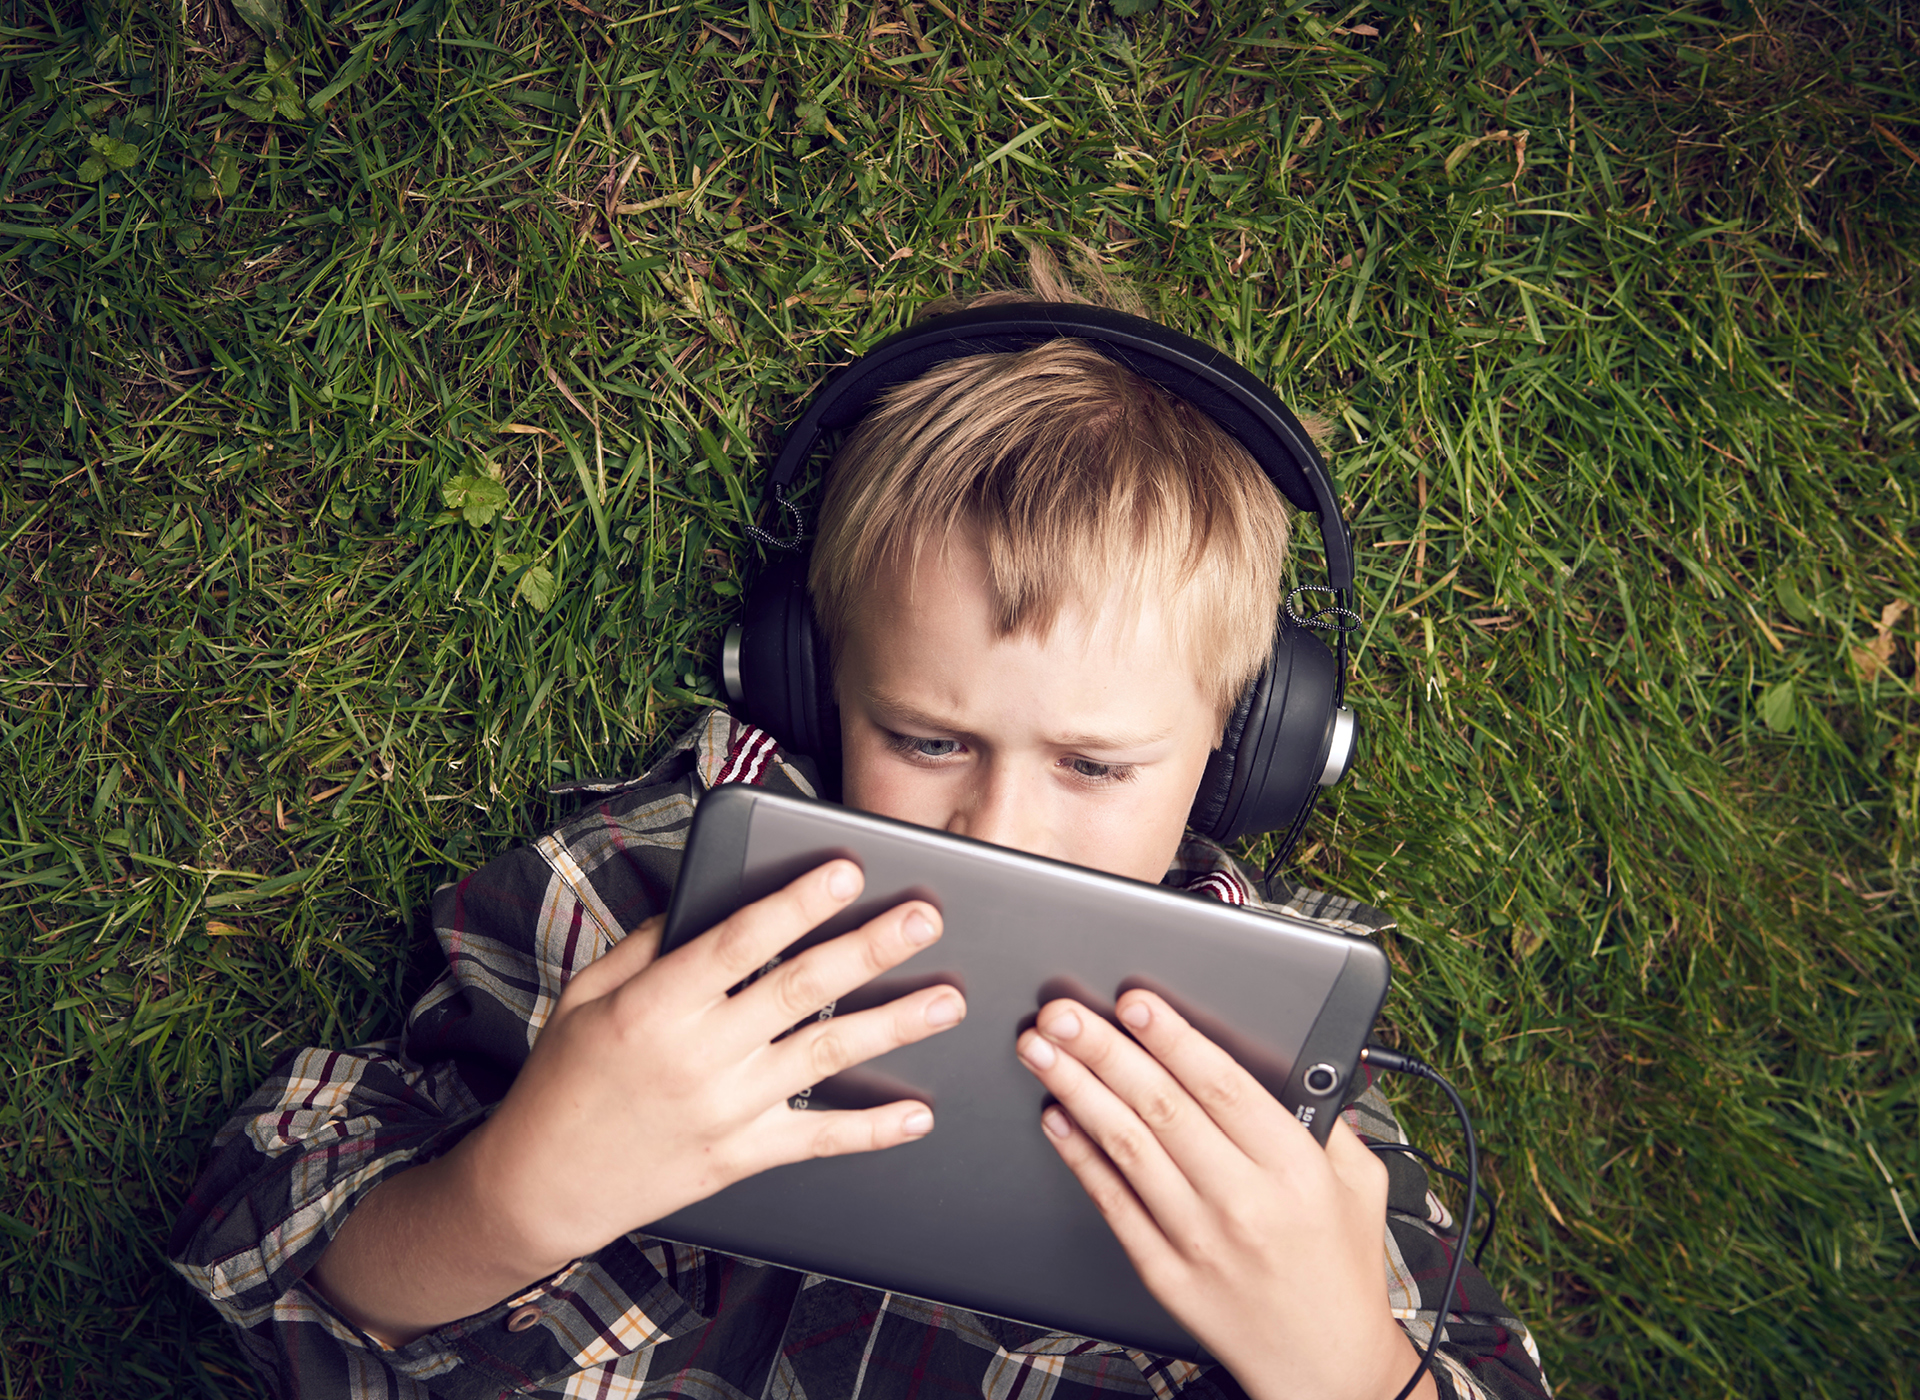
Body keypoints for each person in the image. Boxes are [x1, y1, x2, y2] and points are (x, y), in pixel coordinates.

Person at [170, 269, 1550, 1400]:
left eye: (1093, 765)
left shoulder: (1279, 1080)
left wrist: (1345, 1365)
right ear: (808, 686)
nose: (1001, 827)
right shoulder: (640, 892)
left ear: (1242, 759)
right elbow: (255, 1233)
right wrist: (515, 1200)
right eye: (929, 741)